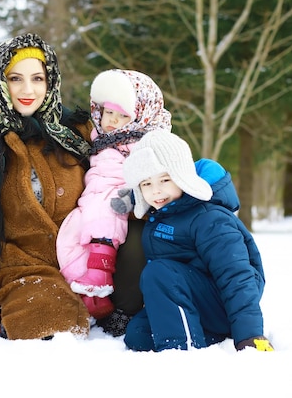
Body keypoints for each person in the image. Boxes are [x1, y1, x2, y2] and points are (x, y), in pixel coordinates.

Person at [0, 33, 94, 340]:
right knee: (48, 323)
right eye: (16, 78)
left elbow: (127, 167)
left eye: (37, 78)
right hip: (23, 266)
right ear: (0, 83)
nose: (28, 90)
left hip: (92, 258)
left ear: (50, 81)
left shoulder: (78, 132)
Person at [111, 130, 274, 352]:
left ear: (182, 176)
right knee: (138, 336)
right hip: (190, 298)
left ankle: (181, 351)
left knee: (159, 272)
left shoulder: (208, 217)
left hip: (223, 302)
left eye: (165, 179)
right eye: (146, 184)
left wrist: (250, 333)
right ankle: (204, 336)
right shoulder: (163, 213)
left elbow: (236, 275)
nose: (156, 190)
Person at [56, 69, 171, 320]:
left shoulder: (148, 143)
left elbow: (162, 182)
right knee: (71, 237)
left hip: (127, 206)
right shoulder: (99, 138)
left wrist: (135, 198)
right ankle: (88, 293)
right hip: (94, 200)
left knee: (121, 235)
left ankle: (107, 285)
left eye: (122, 115)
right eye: (108, 112)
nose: (112, 121)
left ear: (139, 115)